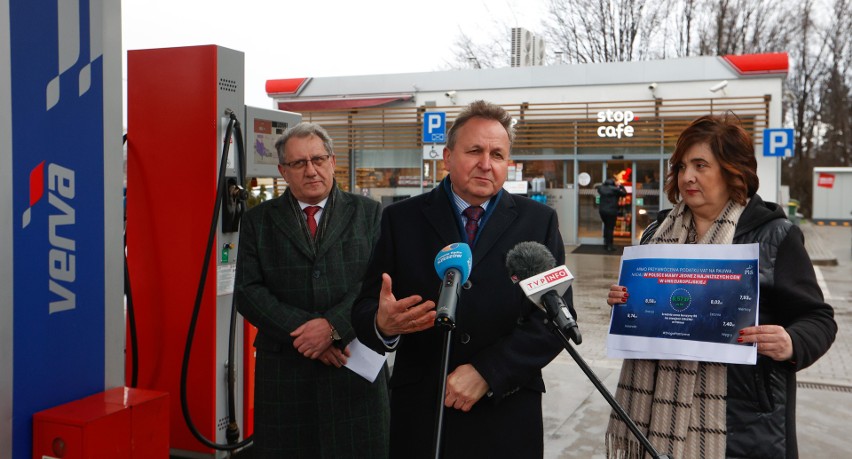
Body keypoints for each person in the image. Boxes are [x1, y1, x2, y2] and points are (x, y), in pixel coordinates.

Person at [604, 114, 837, 459]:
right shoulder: (657, 234)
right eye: (682, 166)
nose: (687, 177)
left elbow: (818, 318)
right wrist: (626, 301)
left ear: (733, 171)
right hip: (655, 420)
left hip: (743, 424)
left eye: (700, 165)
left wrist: (792, 341)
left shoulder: (774, 236)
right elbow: (647, 312)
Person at [352, 100, 572, 459]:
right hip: (424, 415)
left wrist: (488, 372)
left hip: (507, 411)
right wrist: (382, 323)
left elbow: (554, 322)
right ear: (447, 156)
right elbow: (364, 308)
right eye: (475, 151)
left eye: (498, 154)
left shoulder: (539, 222)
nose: (487, 164)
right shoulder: (400, 220)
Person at [235, 122, 389, 458]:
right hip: (286, 372)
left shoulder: (369, 214)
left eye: (318, 159)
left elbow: (376, 283)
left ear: (333, 162)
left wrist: (333, 328)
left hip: (353, 365)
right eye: (298, 163)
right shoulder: (257, 221)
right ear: (282, 171)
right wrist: (311, 336)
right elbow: (247, 291)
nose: (311, 170)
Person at [597, 177, 627, 251]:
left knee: (606, 226)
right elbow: (624, 193)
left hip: (602, 211)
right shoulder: (616, 190)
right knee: (610, 228)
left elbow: (599, 188)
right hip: (612, 211)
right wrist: (621, 186)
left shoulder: (601, 189)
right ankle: (610, 245)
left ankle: (605, 242)